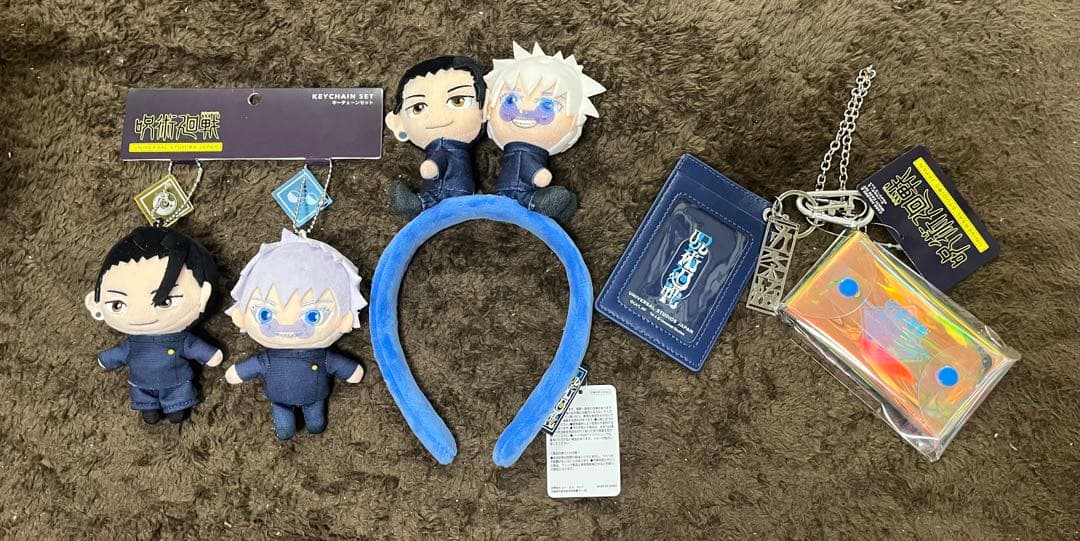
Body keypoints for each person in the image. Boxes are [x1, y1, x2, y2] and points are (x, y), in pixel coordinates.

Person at [85, 226, 222, 425]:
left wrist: (210, 355)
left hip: (175, 382)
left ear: (204, 295)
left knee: (177, 400)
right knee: (146, 403)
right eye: (117, 304)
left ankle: (176, 406)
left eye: (165, 301)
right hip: (142, 384)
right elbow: (120, 352)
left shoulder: (179, 339)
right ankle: (149, 408)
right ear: (96, 303)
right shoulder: (133, 343)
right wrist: (106, 360)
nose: (141, 315)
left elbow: (194, 346)